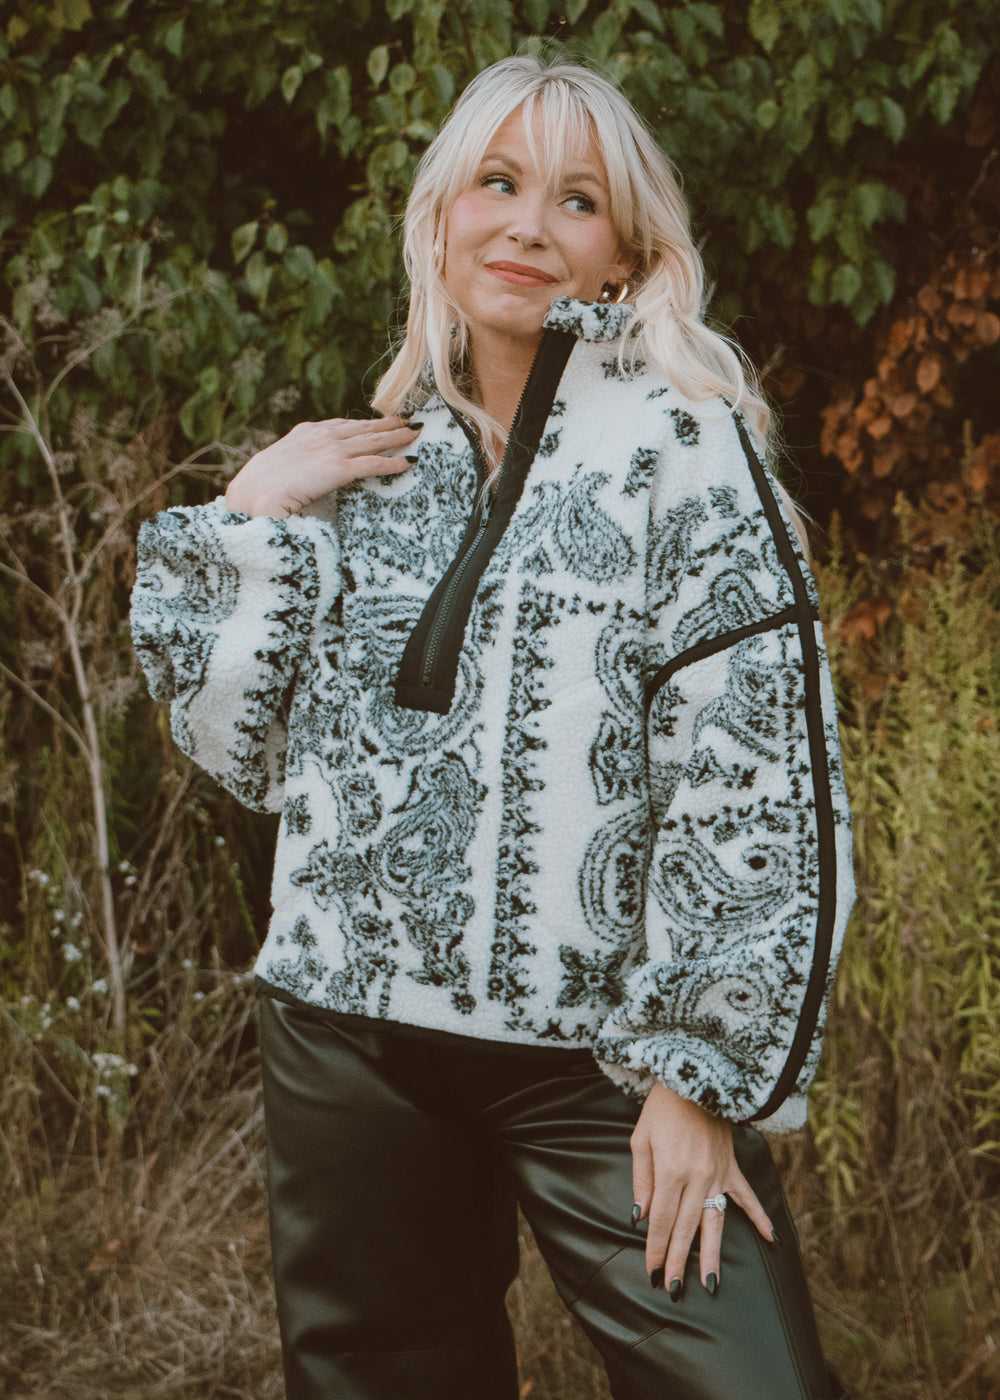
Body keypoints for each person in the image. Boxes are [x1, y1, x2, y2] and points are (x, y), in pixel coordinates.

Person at [131, 53, 855, 1400]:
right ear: (442, 216)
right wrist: (248, 516)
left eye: (576, 200)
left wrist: (698, 1076)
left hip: (595, 1063)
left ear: (625, 252)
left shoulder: (688, 451)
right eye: (499, 184)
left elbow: (758, 771)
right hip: (348, 1039)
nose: (528, 226)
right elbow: (244, 752)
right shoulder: (373, 466)